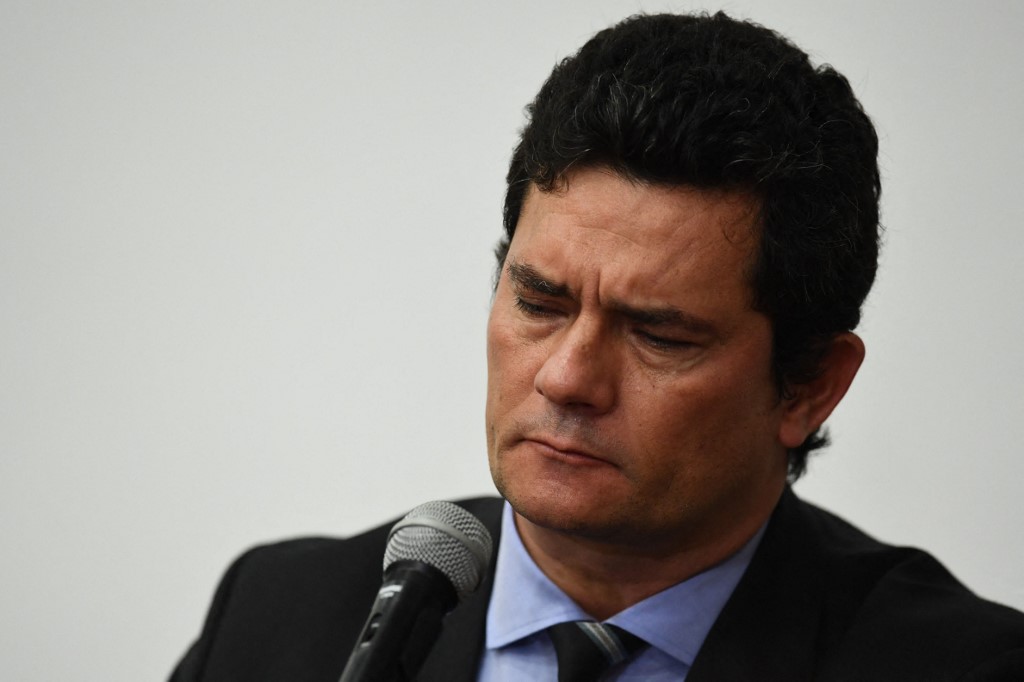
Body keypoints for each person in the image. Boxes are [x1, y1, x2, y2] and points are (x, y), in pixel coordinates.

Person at [170, 11, 1024, 681]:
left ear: (809, 385)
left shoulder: (961, 667)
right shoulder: (278, 619)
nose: (567, 377)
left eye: (659, 335)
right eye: (539, 302)